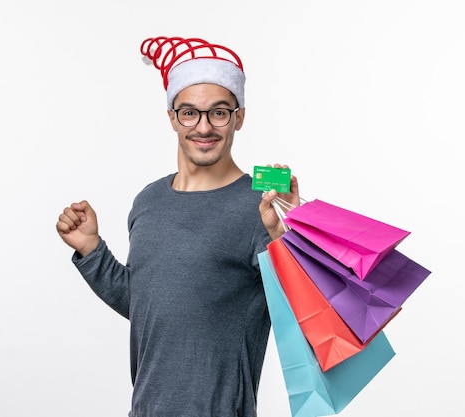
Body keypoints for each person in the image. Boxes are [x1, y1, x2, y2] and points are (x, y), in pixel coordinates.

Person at [55, 36, 300, 417]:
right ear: (172, 117)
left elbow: (303, 310)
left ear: (240, 117)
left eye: (219, 112)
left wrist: (289, 233)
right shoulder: (148, 201)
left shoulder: (262, 206)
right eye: (190, 113)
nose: (204, 127)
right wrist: (91, 250)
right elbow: (149, 304)